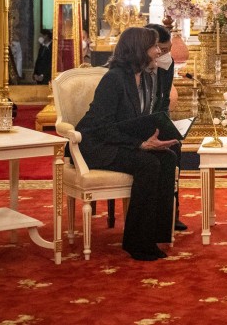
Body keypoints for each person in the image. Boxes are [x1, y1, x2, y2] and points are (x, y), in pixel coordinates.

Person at [76, 27, 178, 261]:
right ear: (139, 50)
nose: (157, 51)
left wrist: (157, 137)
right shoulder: (115, 79)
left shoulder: (145, 77)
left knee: (168, 157)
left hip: (120, 140)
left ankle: (156, 233)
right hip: (97, 145)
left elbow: (137, 118)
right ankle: (137, 242)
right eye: (153, 47)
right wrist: (141, 144)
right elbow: (102, 127)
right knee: (148, 164)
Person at [144, 22, 187, 232]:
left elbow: (163, 98)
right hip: (141, 123)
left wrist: (163, 125)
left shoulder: (166, 62)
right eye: (162, 50)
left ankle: (171, 212)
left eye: (168, 50)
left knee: (175, 145)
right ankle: (153, 213)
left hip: (158, 118)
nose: (166, 55)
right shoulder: (135, 67)